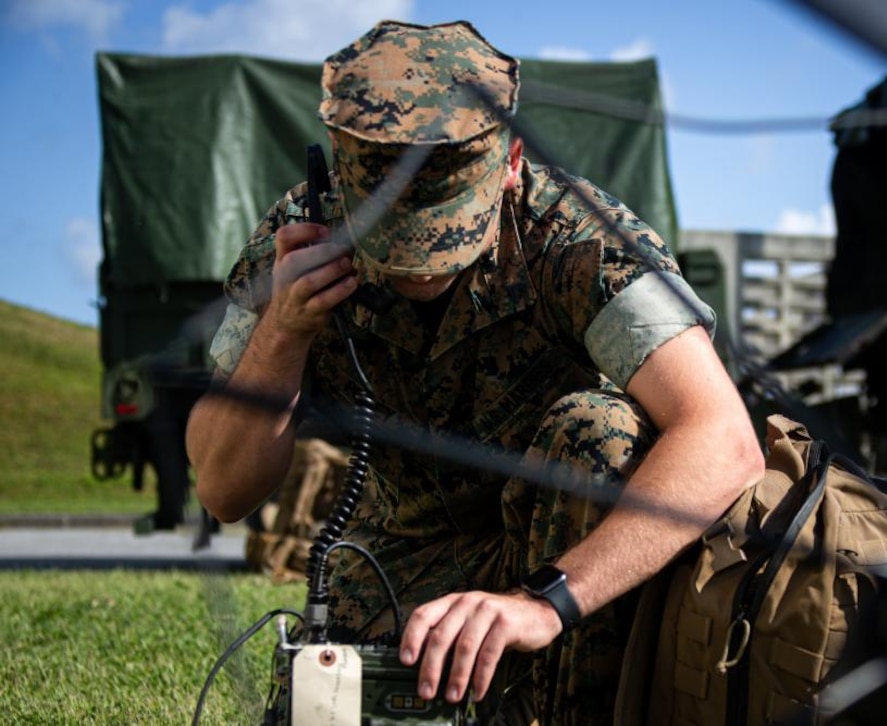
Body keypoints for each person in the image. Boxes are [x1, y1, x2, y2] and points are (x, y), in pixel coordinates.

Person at [186, 18, 765, 725]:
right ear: (334, 175)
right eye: (392, 243)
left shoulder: (579, 240)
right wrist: (282, 333)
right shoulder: (296, 245)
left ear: (513, 161)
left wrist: (544, 604)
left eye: (445, 238)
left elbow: (722, 438)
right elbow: (221, 489)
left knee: (601, 430)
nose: (417, 271)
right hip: (401, 557)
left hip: (576, 554)